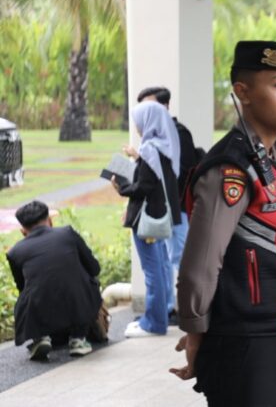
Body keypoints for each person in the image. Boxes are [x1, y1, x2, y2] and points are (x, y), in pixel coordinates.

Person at [171, 41, 276, 406]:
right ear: (242, 93)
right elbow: (201, 263)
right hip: (245, 341)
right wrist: (196, 330)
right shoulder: (231, 168)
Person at [131, 86, 202, 324]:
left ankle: (194, 309)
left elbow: (181, 173)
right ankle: (169, 308)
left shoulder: (178, 133)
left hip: (176, 207)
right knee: (164, 260)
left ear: (164, 106)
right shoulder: (157, 139)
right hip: (164, 208)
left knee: (180, 258)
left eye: (150, 106)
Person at [112, 100, 182, 338]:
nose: (137, 126)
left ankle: (154, 323)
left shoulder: (150, 148)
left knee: (152, 271)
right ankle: (156, 319)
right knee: (159, 268)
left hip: (147, 219)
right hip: (158, 214)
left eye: (139, 121)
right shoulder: (166, 146)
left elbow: (145, 186)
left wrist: (121, 188)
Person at [6, 200, 101, 360]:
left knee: (26, 297)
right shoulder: (68, 233)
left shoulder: (15, 252)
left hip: (42, 309)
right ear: (49, 220)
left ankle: (40, 338)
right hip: (78, 303)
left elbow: (22, 287)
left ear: (23, 231)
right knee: (88, 282)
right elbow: (94, 268)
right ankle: (78, 338)